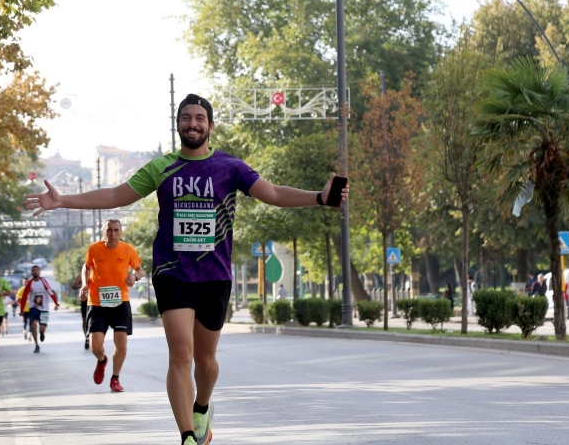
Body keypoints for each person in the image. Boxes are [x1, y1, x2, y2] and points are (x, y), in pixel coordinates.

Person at [24, 93, 348, 445]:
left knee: (206, 361)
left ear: (210, 126)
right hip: (172, 272)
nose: (192, 123)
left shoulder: (230, 167)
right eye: (186, 118)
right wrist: (63, 201)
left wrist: (319, 196)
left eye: (199, 118)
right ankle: (187, 437)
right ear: (177, 124)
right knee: (180, 352)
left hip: (215, 275)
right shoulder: (161, 168)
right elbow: (117, 195)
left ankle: (203, 406)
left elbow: (274, 193)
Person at [80, 219, 144, 392]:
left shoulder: (128, 249)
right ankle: (102, 361)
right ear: (103, 232)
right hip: (97, 302)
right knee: (95, 345)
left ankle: (115, 378)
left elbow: (140, 270)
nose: (113, 234)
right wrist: (84, 284)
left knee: (121, 342)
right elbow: (86, 268)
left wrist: (134, 278)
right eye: (109, 230)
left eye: (116, 230)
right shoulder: (94, 248)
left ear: (121, 232)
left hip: (120, 301)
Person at [19, 265, 59, 353]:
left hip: (44, 308)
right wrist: (21, 310)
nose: (35, 272)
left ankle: (42, 333)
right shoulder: (29, 283)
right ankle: (36, 345)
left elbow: (52, 292)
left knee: (41, 328)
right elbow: (24, 297)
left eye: (37, 270)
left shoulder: (45, 281)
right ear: (31, 272)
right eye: (33, 270)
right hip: (33, 307)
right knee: (33, 325)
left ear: (39, 272)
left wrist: (56, 303)